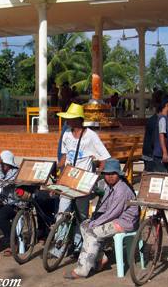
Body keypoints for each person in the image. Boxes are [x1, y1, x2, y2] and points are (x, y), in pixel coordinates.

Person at [63, 159, 139, 279]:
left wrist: (96, 223)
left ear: (118, 174)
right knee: (84, 225)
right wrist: (94, 218)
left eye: (113, 174)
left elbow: (113, 213)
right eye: (107, 174)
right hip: (114, 219)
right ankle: (100, 257)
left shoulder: (121, 190)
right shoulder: (110, 186)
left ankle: (81, 270)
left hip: (124, 222)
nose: (110, 177)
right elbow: (104, 205)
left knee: (93, 232)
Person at [57, 103, 111, 252]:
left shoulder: (91, 136)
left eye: (70, 118)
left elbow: (104, 158)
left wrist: (96, 175)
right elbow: (64, 156)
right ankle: (58, 245)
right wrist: (54, 169)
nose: (67, 122)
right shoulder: (67, 134)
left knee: (82, 216)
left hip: (83, 180)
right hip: (68, 178)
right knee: (62, 211)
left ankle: (78, 245)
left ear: (78, 119)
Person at [0, 150, 19, 256]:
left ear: (7, 164)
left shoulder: (14, 172)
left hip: (16, 203)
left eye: (2, 165)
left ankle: (13, 241)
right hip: (5, 201)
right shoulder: (4, 171)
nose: (1, 167)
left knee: (0, 216)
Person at [153, 95, 168, 172]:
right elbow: (161, 135)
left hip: (162, 153)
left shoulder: (166, 118)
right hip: (160, 154)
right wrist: (165, 152)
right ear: (167, 105)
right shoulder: (163, 118)